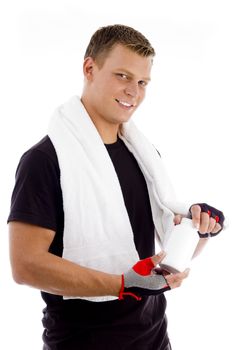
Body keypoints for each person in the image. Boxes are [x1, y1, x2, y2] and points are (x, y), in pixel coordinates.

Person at [8, 24, 225, 350]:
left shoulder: (145, 155)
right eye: (122, 76)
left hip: (154, 339)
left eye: (142, 82)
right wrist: (122, 285)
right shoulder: (44, 160)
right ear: (89, 68)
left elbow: (162, 262)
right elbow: (25, 265)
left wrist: (199, 230)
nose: (133, 92)